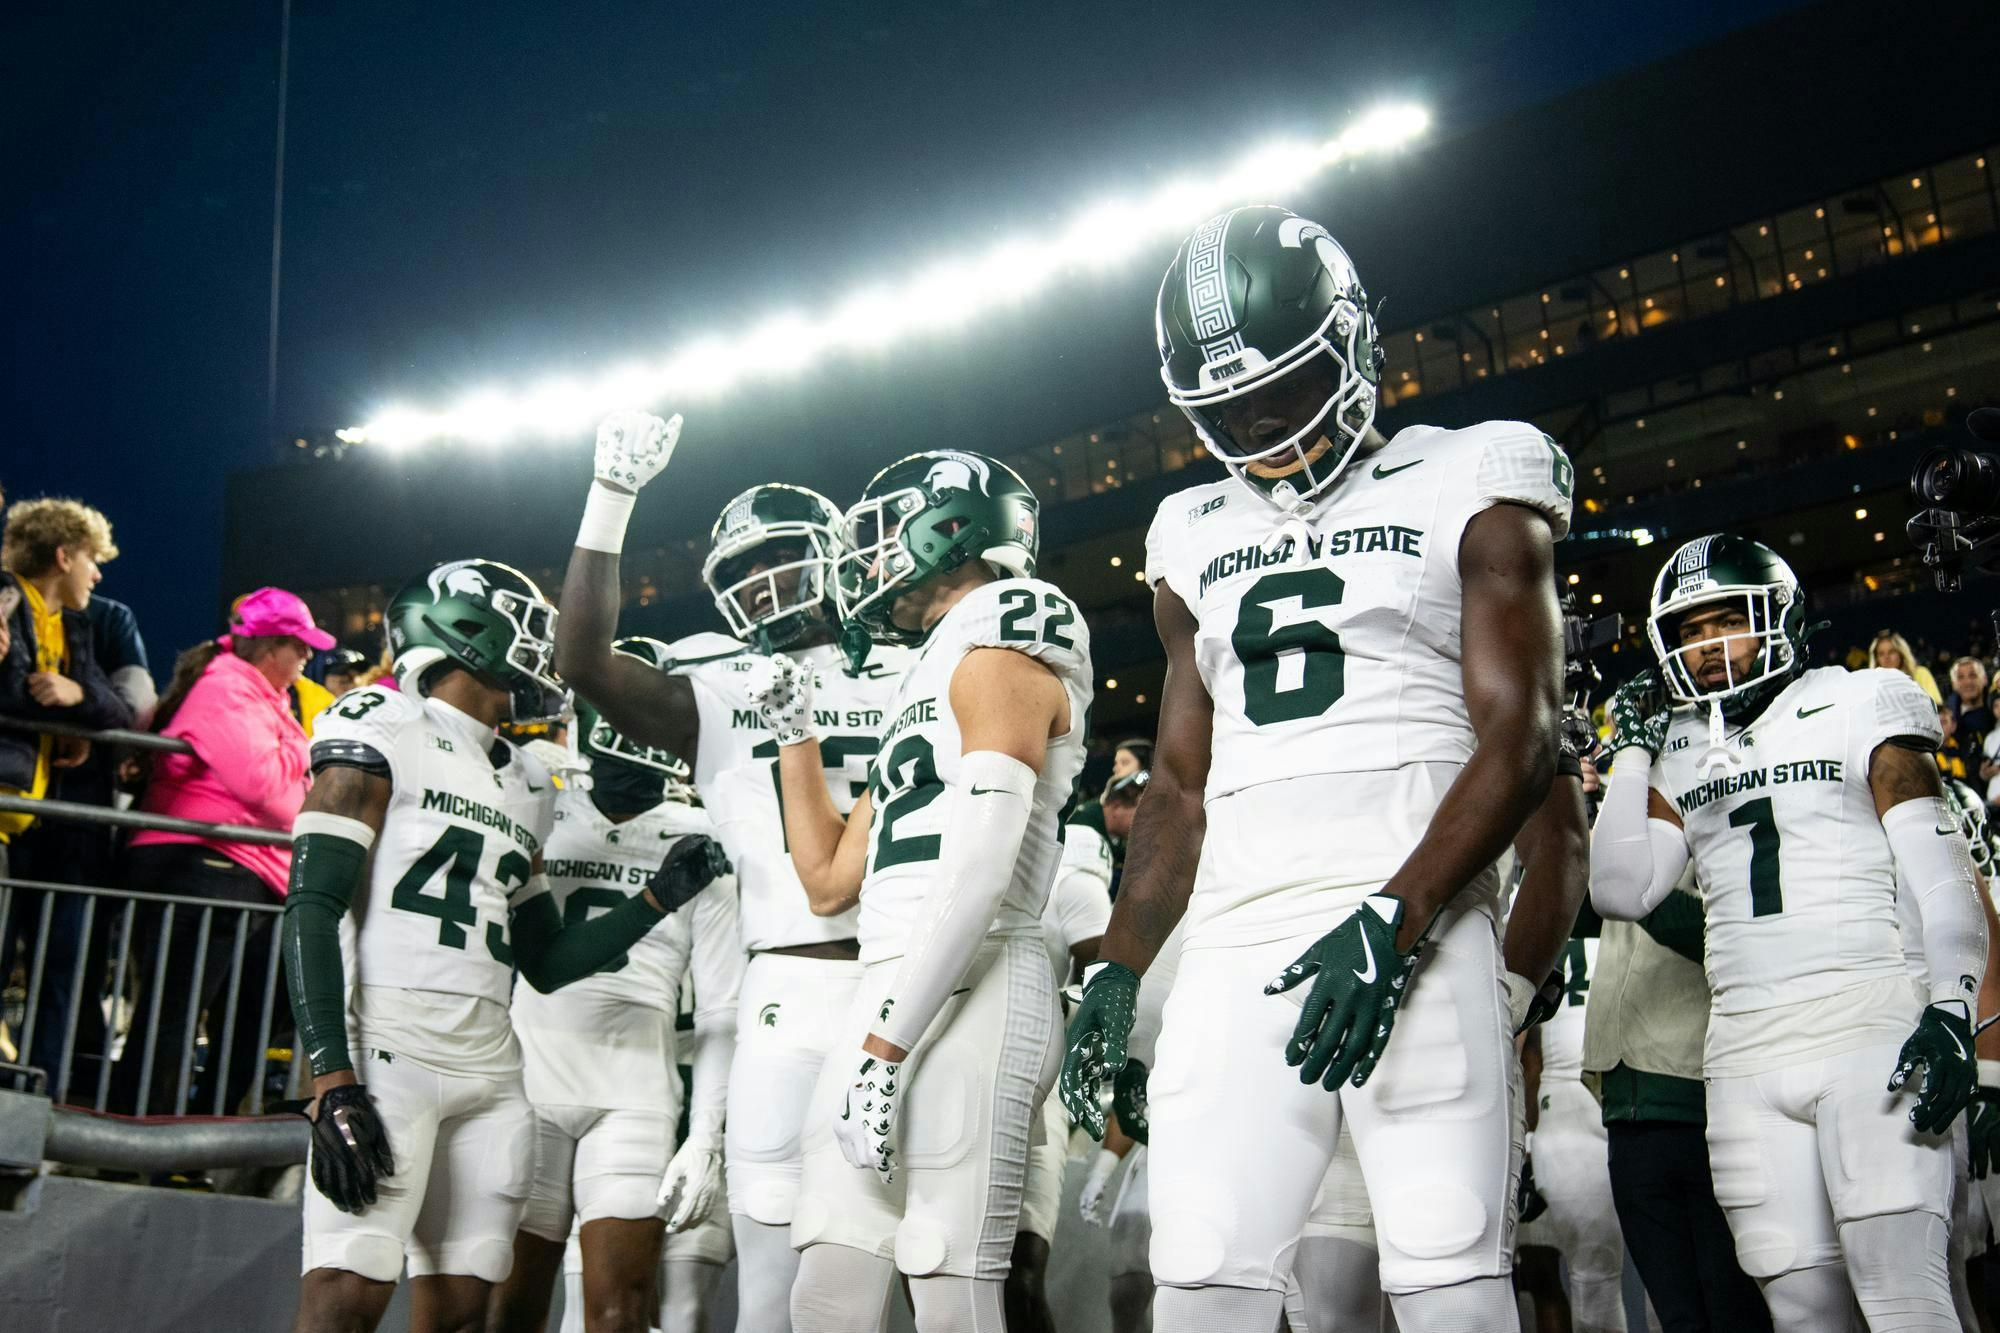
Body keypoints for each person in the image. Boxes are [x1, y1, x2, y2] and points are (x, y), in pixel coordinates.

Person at [1060, 204, 1579, 1332]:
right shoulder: (1189, 530)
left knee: (1445, 1270)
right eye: (1228, 408)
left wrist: (1396, 915)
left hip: (1415, 922)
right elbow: (1180, 787)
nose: (1264, 429)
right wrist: (1118, 959)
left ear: (1351, 344)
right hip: (1238, 939)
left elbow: (1524, 738)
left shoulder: (1472, 477)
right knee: (1197, 1275)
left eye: (1287, 389)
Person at [281, 559, 730, 1333]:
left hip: (493, 1064)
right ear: (463, 627)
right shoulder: (382, 723)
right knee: (346, 1293)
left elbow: (548, 961)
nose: (544, 641)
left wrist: (654, 900)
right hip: (392, 1042)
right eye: (525, 619)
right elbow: (311, 905)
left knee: (463, 1308)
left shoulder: (528, 777)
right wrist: (331, 1075)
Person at [553, 410, 911, 1333]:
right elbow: (581, 660)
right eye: (739, 575)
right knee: (771, 1287)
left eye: (777, 559)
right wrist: (612, 496)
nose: (761, 586)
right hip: (788, 982)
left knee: (930, 1267)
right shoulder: (717, 682)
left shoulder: (922, 662)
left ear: (833, 553)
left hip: (921, 977)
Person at [1591, 534, 1985, 1330]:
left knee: (1906, 1293)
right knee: (1800, 1305)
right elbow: (1620, 888)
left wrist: (1953, 1004)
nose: (1706, 647)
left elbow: (1940, 872)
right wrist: (1631, 754)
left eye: (1724, 620)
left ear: (1782, 614)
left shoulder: (1859, 698)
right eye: (1690, 630)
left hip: (1865, 1021)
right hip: (1742, 1049)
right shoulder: (1676, 746)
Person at [747, 447, 1091, 1333]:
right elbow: (827, 880)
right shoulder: (927, 666)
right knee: (825, 1282)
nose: (865, 561)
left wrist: (885, 1044)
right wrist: (794, 737)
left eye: (881, 532)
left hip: (978, 972)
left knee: (947, 1276)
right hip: (890, 977)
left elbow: (979, 866)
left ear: (951, 530)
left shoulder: (1010, 620)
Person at [488, 641, 742, 1333]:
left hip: (634, 1091)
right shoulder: (543, 803)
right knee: (507, 1307)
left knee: (621, 1311)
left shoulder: (700, 833)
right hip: (528, 1076)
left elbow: (723, 1005)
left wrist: (707, 1136)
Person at [114, 588, 329, 1116]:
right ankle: (136, 1140)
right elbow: (268, 792)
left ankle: (194, 1138)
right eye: (298, 645)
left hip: (246, 871)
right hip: (200, 865)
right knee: (176, 1013)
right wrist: (303, 756)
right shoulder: (226, 686)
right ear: (269, 647)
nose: (308, 657)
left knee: (249, 1017)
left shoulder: (261, 695)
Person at [0, 497, 133, 1091]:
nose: (97, 575)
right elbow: (14, 693)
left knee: (55, 973)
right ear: (62, 556)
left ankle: (39, 1109)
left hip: (29, 824)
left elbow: (120, 709)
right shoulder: (6, 597)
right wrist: (61, 717)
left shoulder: (77, 626)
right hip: (14, 816)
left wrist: (76, 700)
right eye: (90, 560)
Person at [1012, 804, 1116, 1333]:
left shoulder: (1072, 884)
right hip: (966, 1066)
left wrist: (1081, 1070)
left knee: (1020, 1275)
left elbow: (1106, 982)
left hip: (1036, 1077)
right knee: (943, 1262)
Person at [1871, 628, 1943, 704]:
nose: (1886, 657)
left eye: (1891, 652)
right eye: (1881, 654)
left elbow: (1936, 705)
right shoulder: (1873, 683)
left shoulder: (1920, 673)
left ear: (1901, 654)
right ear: (1876, 659)